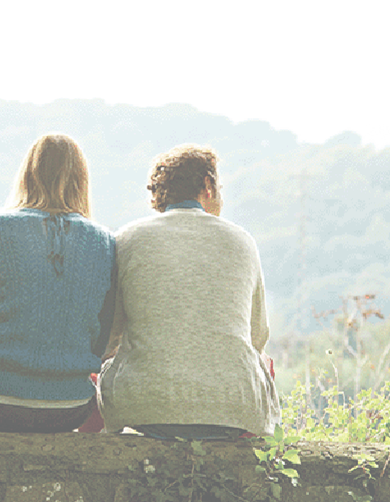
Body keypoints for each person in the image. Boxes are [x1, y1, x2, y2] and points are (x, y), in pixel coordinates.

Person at [98, 144, 279, 440]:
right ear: (207, 185)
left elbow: (110, 337)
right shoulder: (242, 241)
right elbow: (257, 336)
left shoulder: (128, 239)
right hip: (233, 410)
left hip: (144, 407)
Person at [0, 133, 117, 432]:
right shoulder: (103, 242)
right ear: (82, 181)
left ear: (28, 173)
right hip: (70, 406)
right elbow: (101, 335)